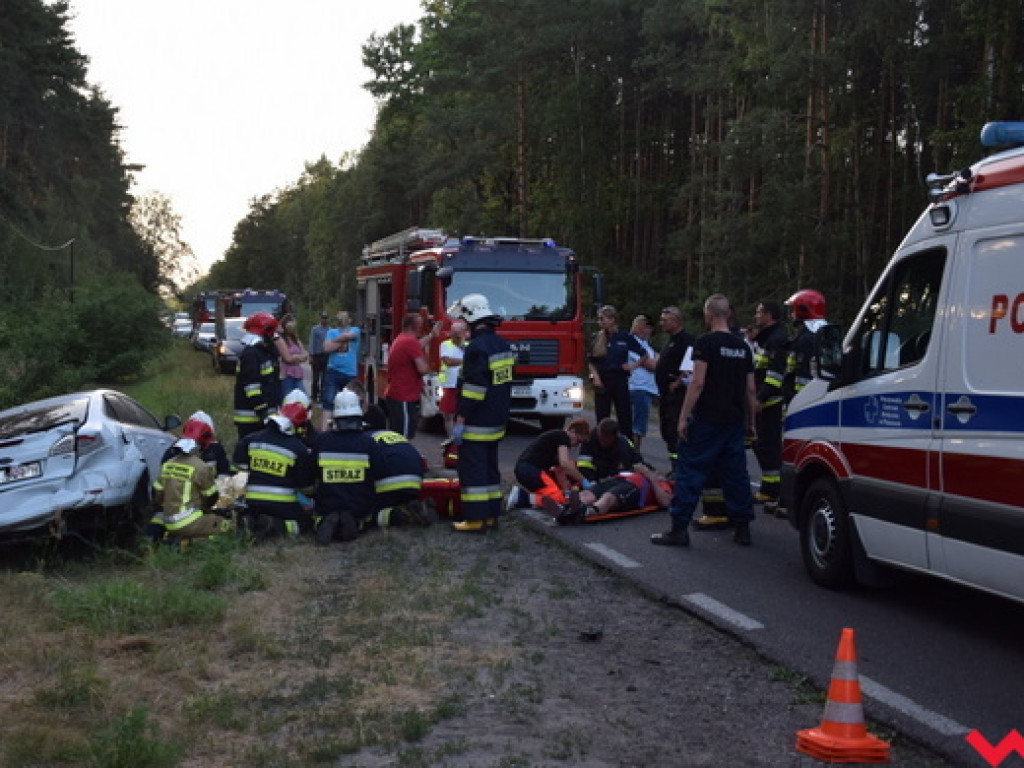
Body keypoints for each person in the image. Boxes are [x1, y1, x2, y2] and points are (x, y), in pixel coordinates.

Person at [651, 294, 757, 548]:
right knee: (736, 475)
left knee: (690, 472)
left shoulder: (705, 343)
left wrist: (683, 417)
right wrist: (750, 422)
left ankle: (679, 529)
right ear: (728, 314)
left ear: (708, 314)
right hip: (733, 420)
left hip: (707, 419)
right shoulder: (743, 347)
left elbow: (697, 382)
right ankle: (742, 528)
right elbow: (750, 390)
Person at [447, 293, 514, 532]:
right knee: (489, 468)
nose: (463, 325)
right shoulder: (502, 345)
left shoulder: (476, 348)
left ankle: (475, 519)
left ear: (472, 318)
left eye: (464, 320)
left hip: (476, 421)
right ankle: (491, 515)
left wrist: (461, 417)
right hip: (497, 419)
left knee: (473, 471)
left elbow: (474, 388)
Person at [232, 401, 317, 540]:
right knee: (305, 524)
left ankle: (250, 524)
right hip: (282, 505)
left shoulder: (250, 440)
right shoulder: (299, 448)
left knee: (254, 515)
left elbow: (236, 472)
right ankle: (274, 526)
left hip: (252, 502)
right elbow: (306, 487)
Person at [310, 389, 385, 544]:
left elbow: (311, 474)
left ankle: (323, 522)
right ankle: (355, 523)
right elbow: (380, 473)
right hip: (358, 506)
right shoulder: (369, 443)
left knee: (316, 516)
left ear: (335, 417)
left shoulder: (321, 441)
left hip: (327, 504)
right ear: (358, 415)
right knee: (366, 519)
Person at [152, 416, 234, 541]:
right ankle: (191, 543)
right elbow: (211, 498)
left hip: (168, 521)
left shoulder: (168, 464)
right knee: (226, 525)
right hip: (189, 521)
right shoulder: (201, 467)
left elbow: (156, 494)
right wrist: (205, 508)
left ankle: (172, 539)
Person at [749, 299, 790, 514]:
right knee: (762, 445)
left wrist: (761, 397)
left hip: (770, 402)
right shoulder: (767, 337)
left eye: (759, 312)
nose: (756, 316)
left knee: (769, 446)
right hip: (764, 400)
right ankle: (769, 488)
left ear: (769, 315)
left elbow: (775, 375)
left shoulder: (777, 339)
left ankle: (773, 489)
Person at [587, 305, 649, 442]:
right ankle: (602, 444)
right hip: (603, 380)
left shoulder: (624, 337)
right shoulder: (597, 338)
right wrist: (596, 378)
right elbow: (591, 361)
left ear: (612, 320)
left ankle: (627, 445)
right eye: (599, 319)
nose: (600, 322)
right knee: (602, 416)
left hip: (620, 379)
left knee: (624, 415)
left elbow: (644, 354)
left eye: (603, 319)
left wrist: (632, 366)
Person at [510, 417, 591, 512]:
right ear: (573, 431)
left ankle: (525, 498)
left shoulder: (557, 440)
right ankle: (521, 496)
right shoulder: (563, 437)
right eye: (578, 440)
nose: (577, 445)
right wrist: (584, 481)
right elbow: (565, 464)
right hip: (532, 470)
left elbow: (560, 470)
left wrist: (566, 491)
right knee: (558, 500)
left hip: (525, 469)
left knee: (559, 498)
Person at [365, 412, 431, 528]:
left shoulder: (365, 439)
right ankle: (418, 506)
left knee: (365, 514)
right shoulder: (395, 435)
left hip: (389, 484)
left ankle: (400, 515)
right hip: (415, 483)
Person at [554, 463, 673, 524]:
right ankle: (568, 508)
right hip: (618, 479)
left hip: (636, 487)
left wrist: (650, 475)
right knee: (588, 493)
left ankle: (586, 511)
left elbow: (665, 502)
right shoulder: (643, 474)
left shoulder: (662, 484)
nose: (658, 473)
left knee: (609, 497)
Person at [654, 306, 695, 471]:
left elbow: (692, 366)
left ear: (676, 320)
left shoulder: (686, 340)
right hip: (665, 395)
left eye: (665, 320)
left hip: (678, 396)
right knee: (667, 431)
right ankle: (675, 467)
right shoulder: (670, 341)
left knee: (675, 431)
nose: (661, 323)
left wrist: (678, 382)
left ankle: (680, 468)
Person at [233, 311, 282, 440]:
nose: (274, 337)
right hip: (251, 418)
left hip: (263, 416)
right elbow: (251, 387)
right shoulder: (251, 354)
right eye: (271, 333)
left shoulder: (264, 352)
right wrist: (263, 411)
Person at [383, 313, 432, 439]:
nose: (422, 328)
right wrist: (431, 366)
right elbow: (422, 369)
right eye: (420, 325)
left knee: (397, 434)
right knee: (403, 436)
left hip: (396, 394)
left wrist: (432, 335)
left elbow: (417, 345)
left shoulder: (402, 339)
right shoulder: (410, 342)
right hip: (403, 396)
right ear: (415, 326)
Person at [784, 289, 828, 404]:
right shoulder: (824, 333)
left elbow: (801, 372)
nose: (791, 315)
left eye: (793, 310)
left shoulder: (805, 340)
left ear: (802, 311)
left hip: (802, 398)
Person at [320, 310, 361, 431]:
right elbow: (326, 348)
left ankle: (351, 429)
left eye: (344, 317)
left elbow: (349, 336)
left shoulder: (355, 330)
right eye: (340, 317)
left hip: (350, 373)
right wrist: (342, 341)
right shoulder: (331, 332)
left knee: (352, 402)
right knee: (328, 401)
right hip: (333, 372)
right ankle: (325, 431)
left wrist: (335, 341)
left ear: (349, 320)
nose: (342, 319)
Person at [577, 417, 648, 483]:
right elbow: (583, 464)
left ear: (614, 437)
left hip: (616, 479)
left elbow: (635, 464)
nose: (602, 442)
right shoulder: (589, 439)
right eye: (601, 438)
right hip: (594, 477)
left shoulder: (623, 445)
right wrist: (592, 481)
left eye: (606, 440)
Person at [626, 314, 659, 450]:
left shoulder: (645, 345)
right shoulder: (632, 344)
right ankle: (633, 454)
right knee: (636, 427)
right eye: (647, 327)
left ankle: (634, 453)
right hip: (638, 387)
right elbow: (651, 365)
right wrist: (659, 362)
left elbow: (658, 358)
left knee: (639, 426)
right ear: (639, 327)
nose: (650, 331)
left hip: (646, 388)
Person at [438, 319, 469, 437]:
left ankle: (460, 437)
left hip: (464, 385)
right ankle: (451, 438)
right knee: (448, 414)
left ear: (464, 333)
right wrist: (465, 361)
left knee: (462, 413)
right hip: (449, 384)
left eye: (458, 332)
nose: (455, 334)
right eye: (453, 331)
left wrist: (462, 347)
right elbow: (448, 361)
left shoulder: (468, 346)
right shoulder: (445, 344)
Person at [276, 313, 309, 397]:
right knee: (287, 398)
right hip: (286, 374)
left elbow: (305, 354)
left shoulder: (295, 339)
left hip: (297, 373)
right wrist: (298, 357)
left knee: (302, 397)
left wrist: (295, 357)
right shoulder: (280, 339)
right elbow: (287, 359)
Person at [308, 311, 331, 403]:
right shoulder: (315, 329)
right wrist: (311, 355)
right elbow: (312, 342)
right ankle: (314, 396)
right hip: (317, 355)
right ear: (320, 319)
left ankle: (322, 396)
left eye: (325, 318)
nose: (324, 320)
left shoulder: (330, 330)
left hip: (326, 356)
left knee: (325, 378)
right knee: (315, 378)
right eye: (323, 318)